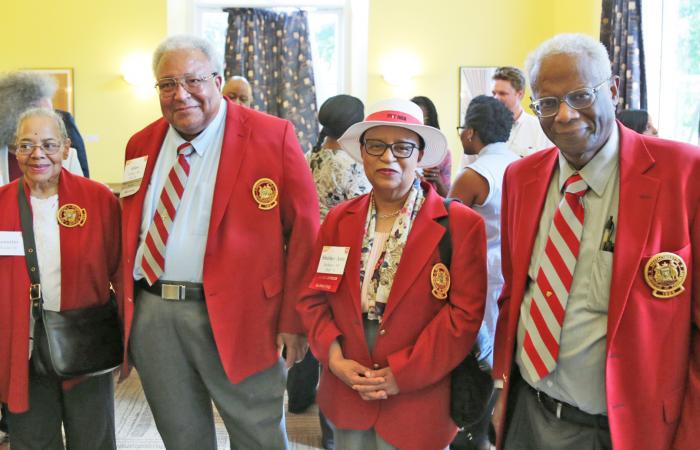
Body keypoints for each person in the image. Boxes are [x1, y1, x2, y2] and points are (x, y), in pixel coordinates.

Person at [491, 33, 700, 450]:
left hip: (628, 430)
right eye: (548, 104)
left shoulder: (683, 175)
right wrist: (501, 392)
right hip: (527, 415)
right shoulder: (521, 178)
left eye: (581, 95)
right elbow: (515, 292)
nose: (566, 115)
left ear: (614, 90)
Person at [120, 35, 319, 450]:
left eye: (193, 81)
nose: (181, 95)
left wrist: (294, 321)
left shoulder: (272, 136)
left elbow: (305, 234)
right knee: (180, 435)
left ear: (217, 79)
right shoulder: (140, 143)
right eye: (168, 84)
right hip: (154, 314)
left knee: (257, 433)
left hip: (245, 315)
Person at [297, 98, 487, 450]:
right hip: (347, 391)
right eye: (376, 145)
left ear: (420, 155)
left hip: (419, 398)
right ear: (363, 153)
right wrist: (333, 357)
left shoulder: (460, 225)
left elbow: (464, 316)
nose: (388, 157)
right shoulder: (339, 219)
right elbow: (314, 296)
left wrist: (403, 373)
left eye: (402, 147)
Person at [0, 108, 120, 449]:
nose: (38, 154)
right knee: (32, 439)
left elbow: (119, 271)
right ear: (16, 150)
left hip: (85, 342)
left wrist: (128, 338)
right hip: (22, 348)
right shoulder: (2, 202)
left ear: (67, 149)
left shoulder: (97, 199)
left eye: (49, 144)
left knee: (93, 438)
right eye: (26, 145)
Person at [290, 94, 370, 449]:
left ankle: (297, 396)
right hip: (342, 258)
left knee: (314, 330)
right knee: (338, 341)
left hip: (310, 254)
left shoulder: (312, 156)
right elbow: (368, 213)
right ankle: (332, 433)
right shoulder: (350, 165)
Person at [0, 72, 83, 186]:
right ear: (11, 117)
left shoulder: (67, 156)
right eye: (39, 115)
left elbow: (79, 196)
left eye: (50, 114)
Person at [491, 66, 551, 157]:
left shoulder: (540, 129)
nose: (496, 98)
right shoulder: (481, 129)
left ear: (520, 94)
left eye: (502, 93)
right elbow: (466, 169)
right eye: (494, 93)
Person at [411, 96, 452, 196]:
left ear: (431, 121)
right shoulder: (398, 148)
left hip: (431, 208)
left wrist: (437, 180)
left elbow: (447, 197)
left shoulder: (442, 153)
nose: (421, 124)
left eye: (425, 119)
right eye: (416, 119)